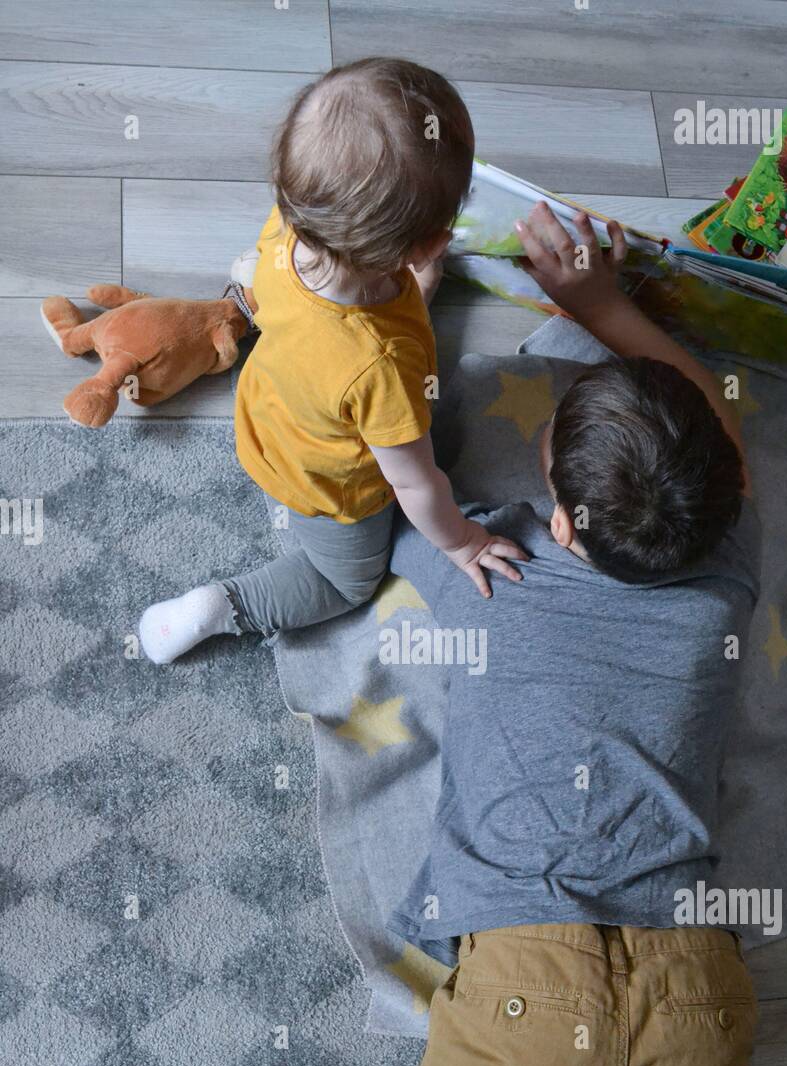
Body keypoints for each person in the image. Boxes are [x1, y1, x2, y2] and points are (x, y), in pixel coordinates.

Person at [318, 205, 766, 1066]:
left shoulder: (493, 564)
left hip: (525, 990)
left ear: (556, 514)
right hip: (690, 996)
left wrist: (407, 314)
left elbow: (381, 474)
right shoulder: (725, 568)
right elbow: (716, 425)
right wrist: (604, 308)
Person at [138, 58, 525, 666]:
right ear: (429, 243)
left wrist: (410, 279)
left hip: (266, 412)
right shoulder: (385, 366)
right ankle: (230, 604)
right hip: (328, 487)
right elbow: (413, 482)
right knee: (347, 582)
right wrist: (465, 542)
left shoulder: (285, 233)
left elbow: (308, 317)